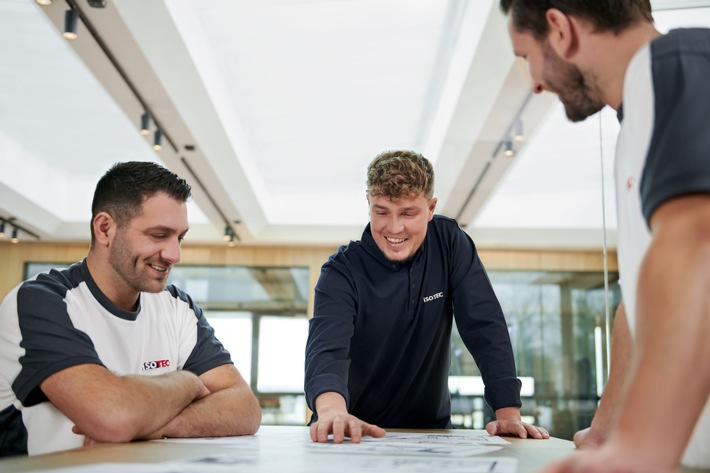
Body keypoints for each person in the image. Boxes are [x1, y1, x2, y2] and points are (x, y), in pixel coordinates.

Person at [500, 1, 710, 471]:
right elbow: (641, 300)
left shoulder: (673, 65)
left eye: (526, 56)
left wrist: (637, 447)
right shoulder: (636, 121)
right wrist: (607, 431)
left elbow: (697, 246)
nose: (535, 83)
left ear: (559, 29)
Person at [0, 161, 261, 456]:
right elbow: (113, 417)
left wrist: (150, 424)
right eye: (159, 235)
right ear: (105, 229)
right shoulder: (41, 302)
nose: (174, 254)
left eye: (180, 238)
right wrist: (187, 382)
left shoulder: (178, 308)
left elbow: (245, 408)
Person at [304, 150, 549, 444]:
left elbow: (484, 325)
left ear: (431, 208)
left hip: (431, 433)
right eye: (382, 212)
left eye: (408, 213)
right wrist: (331, 411)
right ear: (368, 203)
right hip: (351, 432)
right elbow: (327, 350)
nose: (394, 228)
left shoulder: (449, 243)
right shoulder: (341, 271)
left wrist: (508, 413)